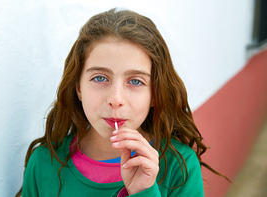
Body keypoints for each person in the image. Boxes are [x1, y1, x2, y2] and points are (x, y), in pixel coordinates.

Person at [16, 8, 225, 197]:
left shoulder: (179, 166)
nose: (116, 100)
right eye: (100, 78)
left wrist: (143, 192)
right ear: (78, 87)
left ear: (155, 94)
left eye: (135, 81)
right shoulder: (44, 163)